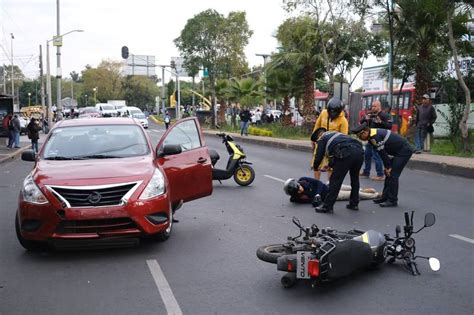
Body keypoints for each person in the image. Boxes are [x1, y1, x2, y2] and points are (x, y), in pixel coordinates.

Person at [352, 123, 414, 208]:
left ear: (365, 132)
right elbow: (381, 153)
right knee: (388, 174)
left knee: (393, 175)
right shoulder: (371, 136)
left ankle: (392, 200)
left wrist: (388, 167)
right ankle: (385, 197)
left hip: (404, 151)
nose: (360, 138)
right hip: (397, 152)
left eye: (360, 136)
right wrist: (387, 167)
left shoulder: (375, 136)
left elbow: (382, 153)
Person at [312, 127, 364, 213]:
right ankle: (354, 204)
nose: (318, 143)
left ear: (318, 136)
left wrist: (315, 167)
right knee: (355, 179)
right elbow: (337, 153)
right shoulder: (337, 135)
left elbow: (318, 156)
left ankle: (327, 207)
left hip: (347, 153)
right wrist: (329, 165)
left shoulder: (322, 138)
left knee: (335, 181)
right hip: (359, 152)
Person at [311, 97, 349, 180]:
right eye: (330, 111)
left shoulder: (343, 121)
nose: (331, 113)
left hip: (333, 147)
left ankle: (329, 186)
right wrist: (313, 140)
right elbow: (317, 126)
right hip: (320, 143)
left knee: (331, 167)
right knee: (316, 164)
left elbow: (344, 138)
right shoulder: (323, 113)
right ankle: (316, 184)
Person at [284, 177, 381, 206]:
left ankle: (363, 189)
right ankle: (376, 195)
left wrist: (317, 194)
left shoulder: (304, 180)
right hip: (332, 194)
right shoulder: (299, 198)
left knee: (352, 187)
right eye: (299, 190)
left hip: (328, 185)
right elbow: (313, 202)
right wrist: (315, 200)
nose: (301, 189)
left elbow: (319, 183)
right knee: (355, 194)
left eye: (299, 187)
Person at [359, 100, 392, 181]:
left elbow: (389, 126)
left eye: (374, 106)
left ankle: (380, 174)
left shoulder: (384, 115)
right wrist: (365, 118)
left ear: (379, 106)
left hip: (379, 139)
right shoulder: (370, 115)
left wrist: (380, 122)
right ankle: (366, 171)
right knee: (367, 155)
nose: (372, 108)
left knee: (376, 156)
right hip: (370, 138)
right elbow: (361, 122)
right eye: (372, 106)